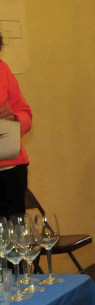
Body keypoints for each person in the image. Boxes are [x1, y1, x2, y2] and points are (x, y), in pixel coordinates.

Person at [0, 33, 32, 218]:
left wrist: (14, 118)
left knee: (15, 240)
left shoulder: (2, 69)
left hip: (10, 169)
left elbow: (25, 114)